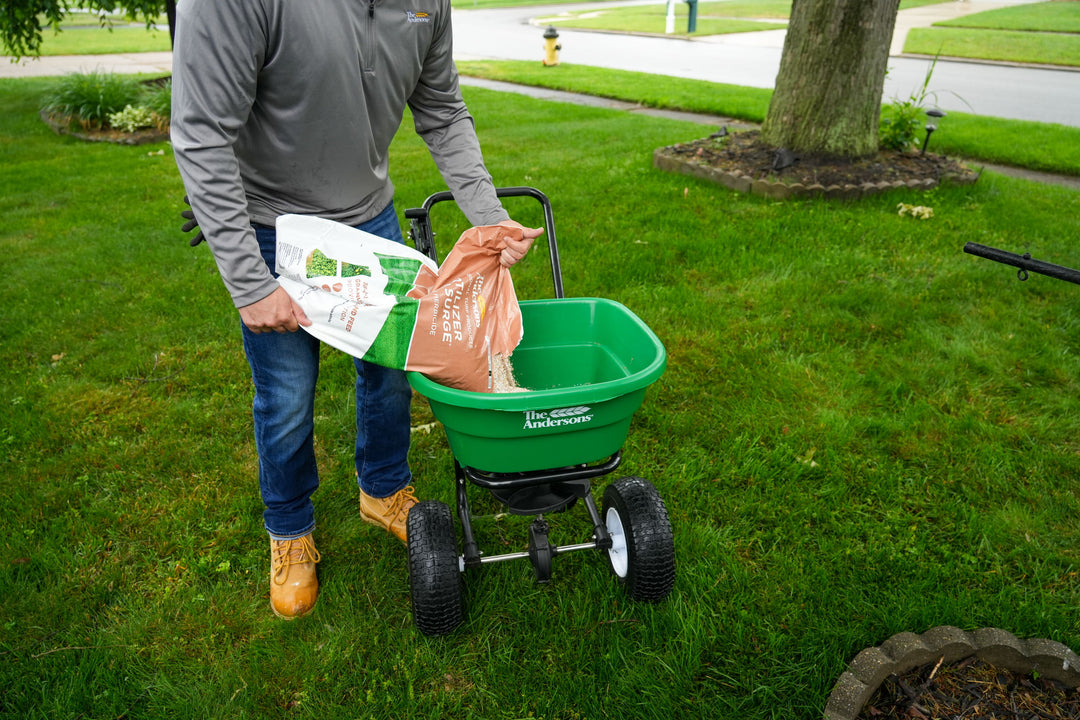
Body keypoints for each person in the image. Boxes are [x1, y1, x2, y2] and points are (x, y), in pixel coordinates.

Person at [170, 0, 542, 619]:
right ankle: (289, 530)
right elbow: (202, 132)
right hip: (273, 224)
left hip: (369, 214)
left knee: (393, 369)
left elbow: (443, 110)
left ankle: (385, 489)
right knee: (287, 392)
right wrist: (250, 282)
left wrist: (489, 218)